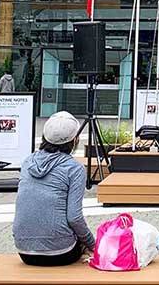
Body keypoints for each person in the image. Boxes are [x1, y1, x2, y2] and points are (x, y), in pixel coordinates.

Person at [13, 111, 96, 266]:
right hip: (61, 253)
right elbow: (74, 217)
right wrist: (93, 244)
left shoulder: (27, 162)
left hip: (24, 251)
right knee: (82, 239)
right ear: (74, 140)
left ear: (44, 137)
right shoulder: (74, 168)